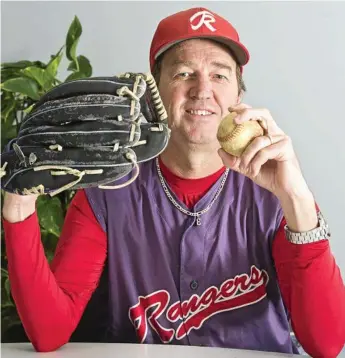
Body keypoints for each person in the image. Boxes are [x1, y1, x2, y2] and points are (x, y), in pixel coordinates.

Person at [2, 6, 345, 357]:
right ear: (157, 95)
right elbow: (48, 332)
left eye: (220, 75)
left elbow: (327, 343)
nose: (202, 90)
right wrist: (19, 199)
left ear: (238, 96)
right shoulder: (106, 193)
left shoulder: (275, 192)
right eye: (183, 73)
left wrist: (297, 197)